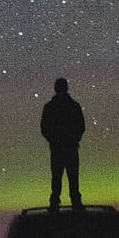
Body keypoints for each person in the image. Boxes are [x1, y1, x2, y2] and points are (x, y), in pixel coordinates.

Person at [40, 77, 85, 211]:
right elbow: (80, 126)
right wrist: (66, 140)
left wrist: (56, 140)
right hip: (63, 148)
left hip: (61, 148)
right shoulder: (72, 106)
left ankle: (59, 202)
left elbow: (80, 126)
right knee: (65, 177)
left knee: (63, 177)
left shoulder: (52, 107)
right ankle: (70, 202)